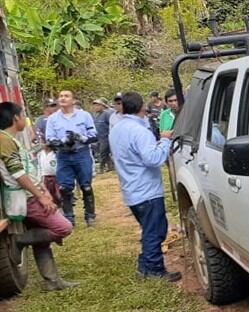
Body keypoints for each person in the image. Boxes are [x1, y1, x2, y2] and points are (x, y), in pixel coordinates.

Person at [0, 102, 77, 290]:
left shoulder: (10, 138)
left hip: (30, 193)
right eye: (22, 114)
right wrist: (40, 196)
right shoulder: (4, 139)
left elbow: (26, 168)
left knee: (41, 240)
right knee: (63, 227)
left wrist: (41, 187)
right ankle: (20, 241)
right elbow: (17, 173)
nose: (25, 118)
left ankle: (52, 281)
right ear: (15, 118)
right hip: (26, 197)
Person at [109, 91, 180, 282]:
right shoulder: (140, 131)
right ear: (142, 107)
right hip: (146, 190)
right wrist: (165, 140)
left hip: (132, 189)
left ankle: (144, 265)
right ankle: (155, 270)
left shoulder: (116, 128)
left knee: (150, 230)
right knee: (155, 232)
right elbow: (153, 159)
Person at [45, 89, 97, 227]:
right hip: (63, 155)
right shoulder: (52, 119)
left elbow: (93, 134)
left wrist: (80, 137)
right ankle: (69, 217)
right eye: (60, 96)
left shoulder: (84, 115)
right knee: (64, 188)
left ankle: (90, 216)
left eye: (66, 96)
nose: (63, 98)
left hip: (82, 153)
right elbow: (49, 138)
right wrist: (62, 141)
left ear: (73, 100)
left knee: (86, 186)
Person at [91, 98, 114, 173]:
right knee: (104, 154)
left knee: (103, 153)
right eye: (94, 105)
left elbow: (111, 125)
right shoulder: (95, 115)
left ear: (102, 106)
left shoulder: (107, 114)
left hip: (106, 137)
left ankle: (101, 168)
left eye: (98, 105)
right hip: (98, 137)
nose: (96, 107)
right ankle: (111, 166)